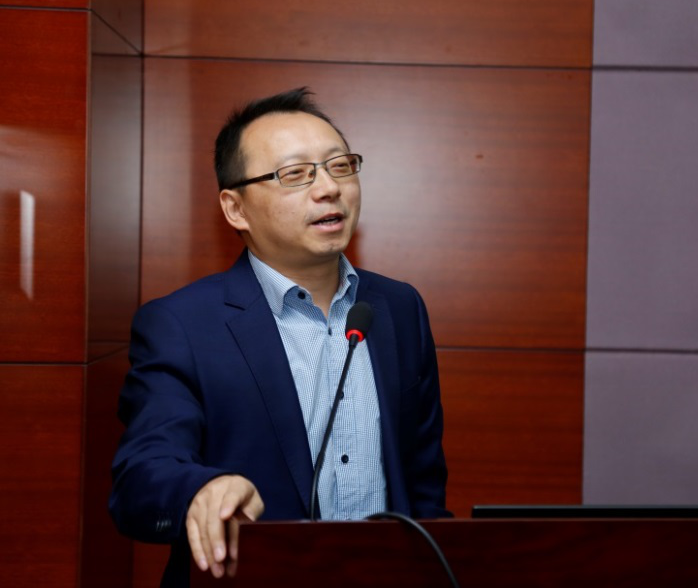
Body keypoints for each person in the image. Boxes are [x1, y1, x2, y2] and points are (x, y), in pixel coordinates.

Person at [109, 87, 449, 586]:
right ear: (236, 209)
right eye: (295, 174)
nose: (329, 188)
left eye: (340, 166)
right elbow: (141, 474)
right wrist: (198, 491)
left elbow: (423, 480)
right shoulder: (181, 324)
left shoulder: (399, 308)